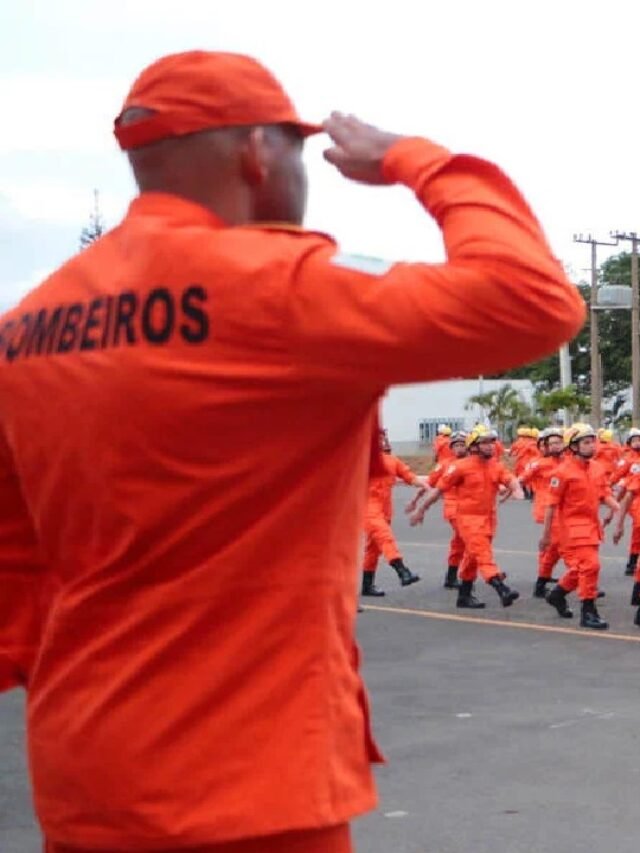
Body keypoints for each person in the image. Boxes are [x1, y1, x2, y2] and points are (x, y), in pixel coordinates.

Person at [0, 50, 585, 853]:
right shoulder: (281, 286)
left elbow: (14, 564)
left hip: (84, 767)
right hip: (246, 780)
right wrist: (419, 159)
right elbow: (534, 301)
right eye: (299, 149)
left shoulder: (30, 324)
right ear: (258, 152)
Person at [412, 426, 524, 608]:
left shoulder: (496, 466)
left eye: (491, 442)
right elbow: (438, 490)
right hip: (468, 519)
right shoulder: (459, 467)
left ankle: (464, 595)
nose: (489, 446)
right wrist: (421, 509)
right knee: (482, 554)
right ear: (473, 446)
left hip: (488, 519)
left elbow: (510, 479)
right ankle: (501, 588)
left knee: (472, 557)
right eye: (484, 443)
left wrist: (517, 489)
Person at [543, 424, 619, 630]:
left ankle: (557, 594)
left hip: (592, 526)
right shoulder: (562, 472)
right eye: (586, 442)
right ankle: (588, 612)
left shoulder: (596, 467)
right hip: (572, 528)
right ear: (573, 446)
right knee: (591, 566)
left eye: (592, 441)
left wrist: (617, 509)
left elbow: (604, 493)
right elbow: (550, 505)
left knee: (580, 569)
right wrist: (546, 535)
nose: (591, 445)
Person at [361, 429, 424, 596]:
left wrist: (424, 485)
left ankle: (367, 586)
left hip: (385, 509)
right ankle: (402, 571)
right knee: (385, 537)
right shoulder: (362, 460)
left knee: (373, 549)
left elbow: (408, 475)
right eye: (378, 438)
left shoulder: (392, 461)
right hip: (368, 508)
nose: (382, 441)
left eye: (383, 438)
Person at [408, 430, 467, 589]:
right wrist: (415, 501)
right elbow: (430, 484)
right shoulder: (444, 464)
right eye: (457, 445)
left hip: (468, 508)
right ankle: (490, 574)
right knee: (471, 539)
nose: (460, 448)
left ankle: (451, 578)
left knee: (459, 544)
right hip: (452, 507)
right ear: (451, 447)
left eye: (463, 445)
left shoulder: (471, 463)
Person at [519, 427, 565, 598]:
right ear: (543, 445)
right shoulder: (538, 464)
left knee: (553, 547)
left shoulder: (566, 461)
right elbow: (521, 479)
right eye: (550, 443)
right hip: (546, 508)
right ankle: (580, 578)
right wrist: (509, 491)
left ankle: (542, 579)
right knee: (558, 544)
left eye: (558, 442)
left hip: (562, 510)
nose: (555, 446)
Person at [610, 428, 640, 576]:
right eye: (635, 440)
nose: (638, 443)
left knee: (637, 531)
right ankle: (633, 562)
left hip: (630, 493)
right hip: (633, 497)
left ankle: (633, 561)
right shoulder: (628, 460)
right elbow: (616, 477)